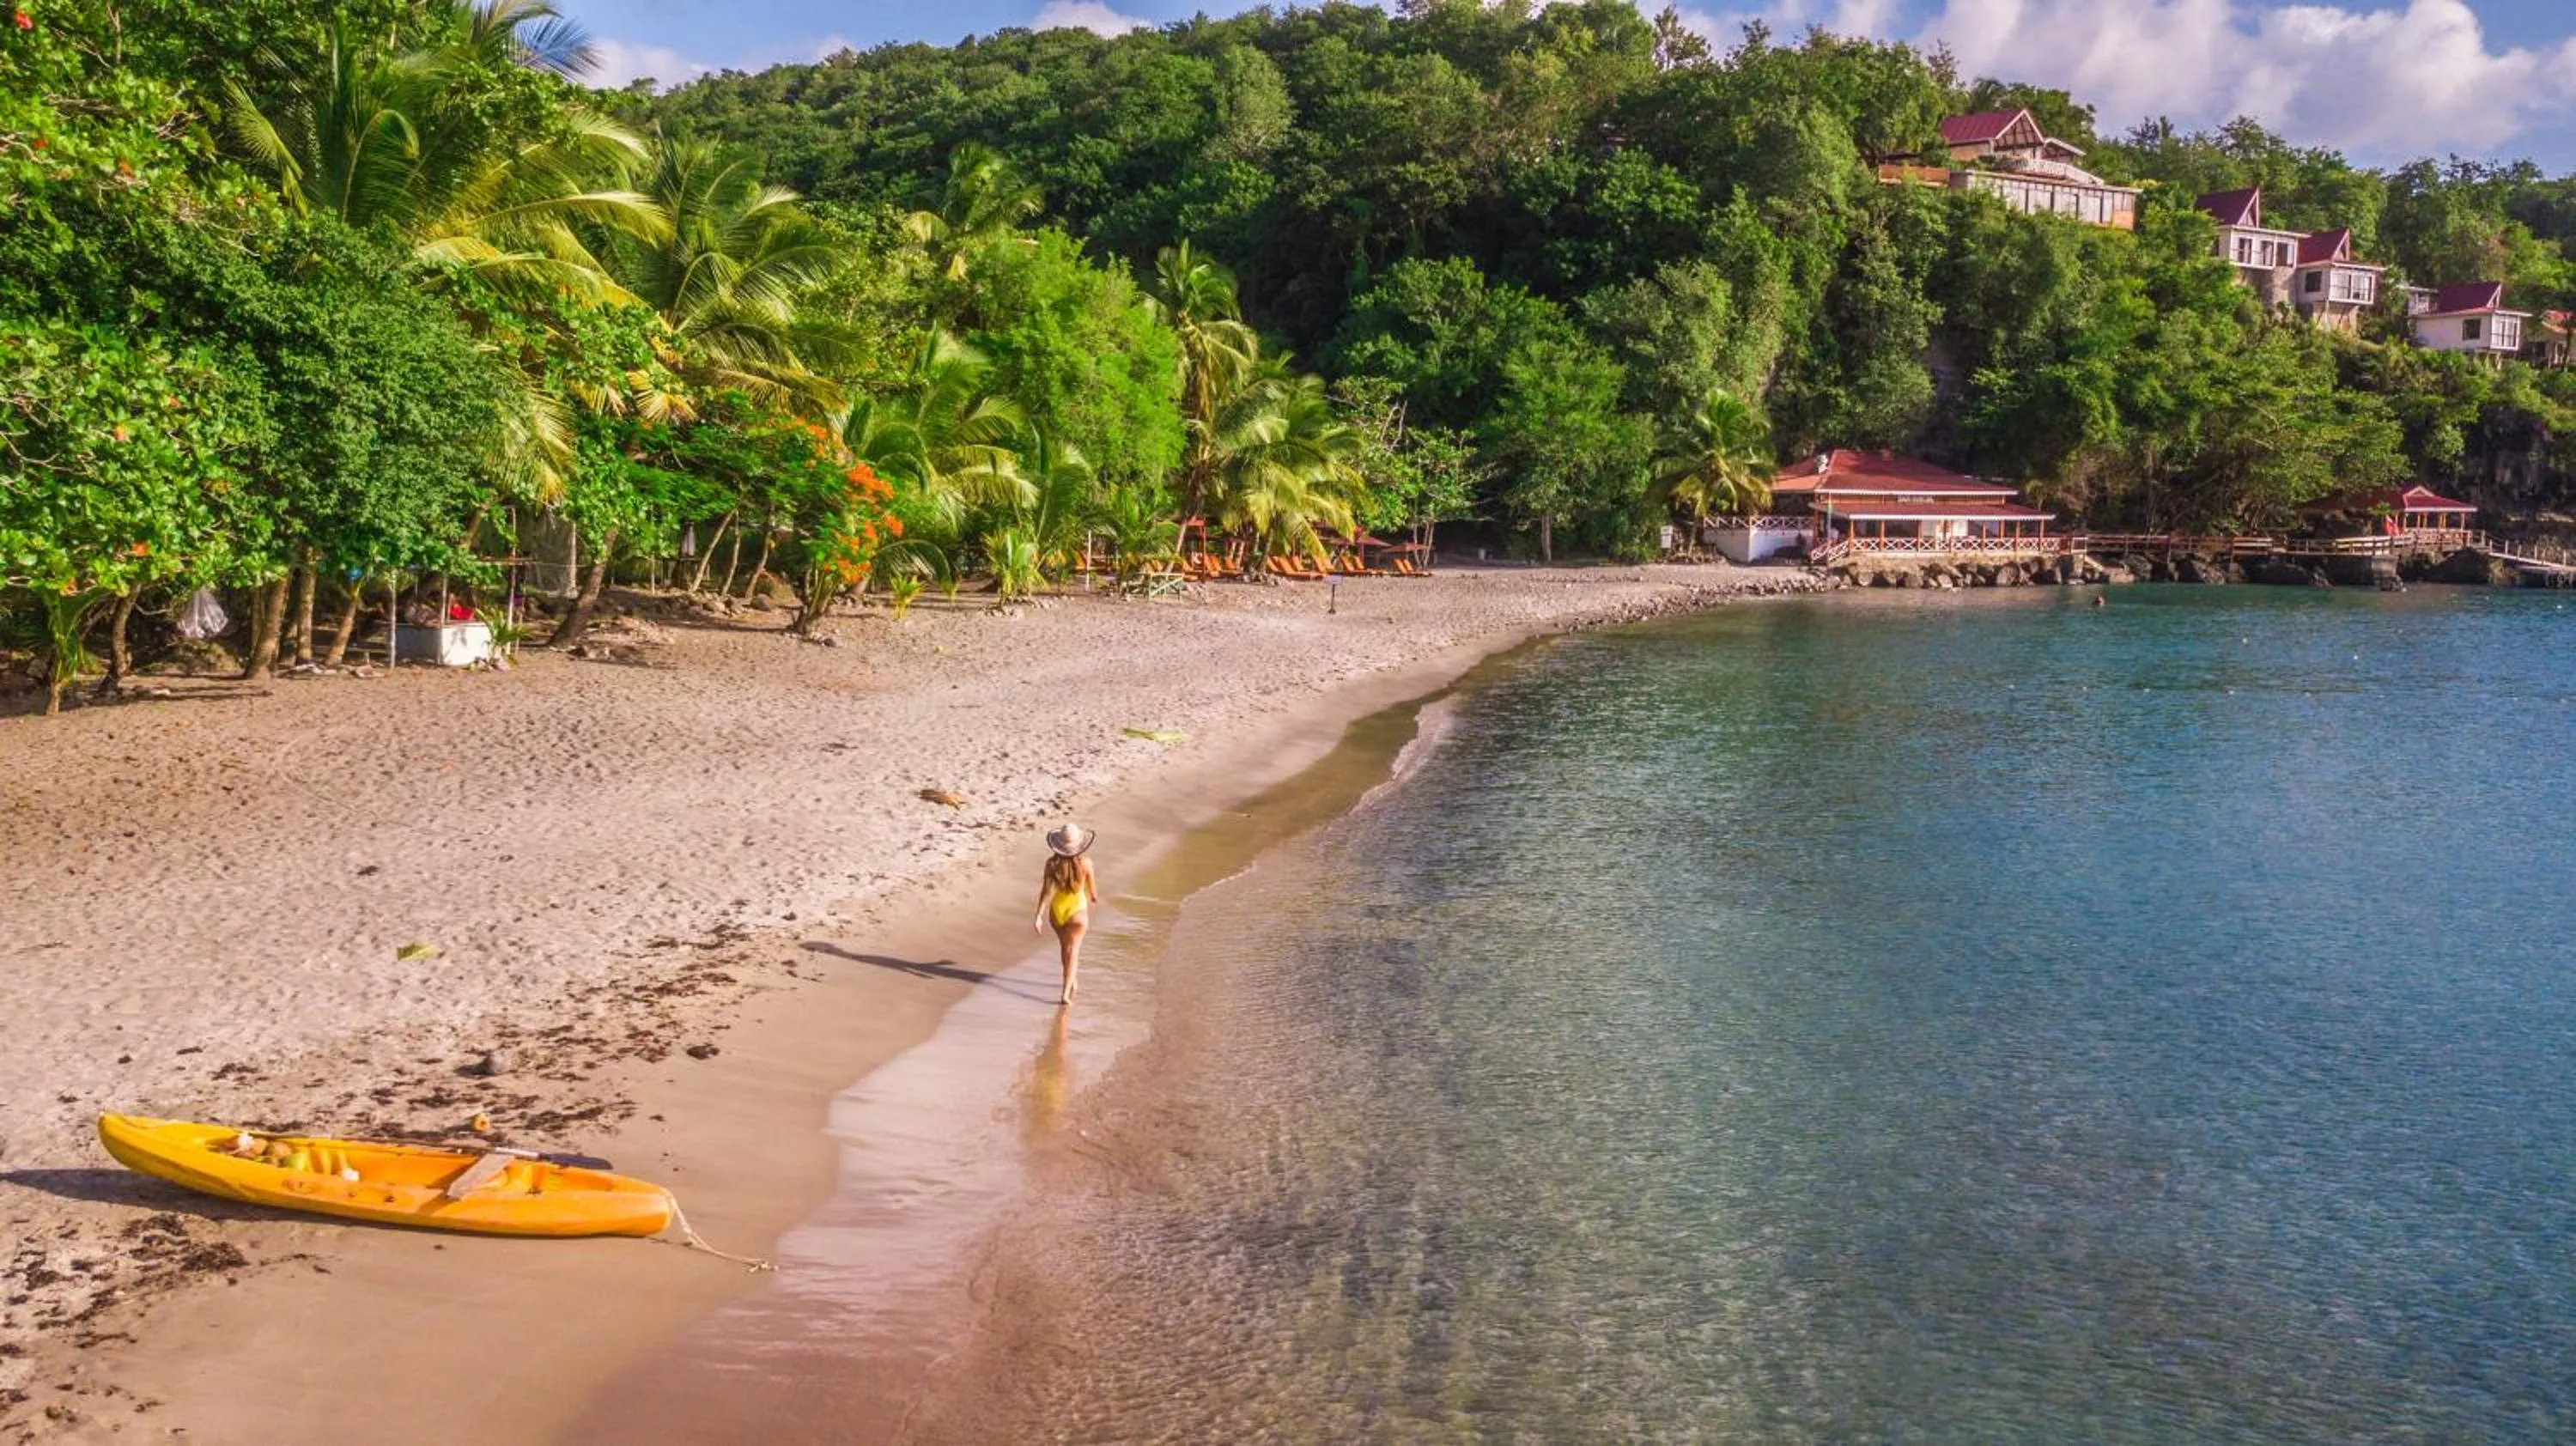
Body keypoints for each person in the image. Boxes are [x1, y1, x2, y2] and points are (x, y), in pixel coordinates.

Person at [1033, 823, 1099, 1006]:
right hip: (1077, 911)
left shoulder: (1051, 864)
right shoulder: (1086, 864)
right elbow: (1093, 893)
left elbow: (1046, 891)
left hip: (1057, 911)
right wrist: (1093, 898)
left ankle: (1072, 982)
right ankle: (1065, 993)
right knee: (1074, 951)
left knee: (1065, 949)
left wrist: (1039, 915)